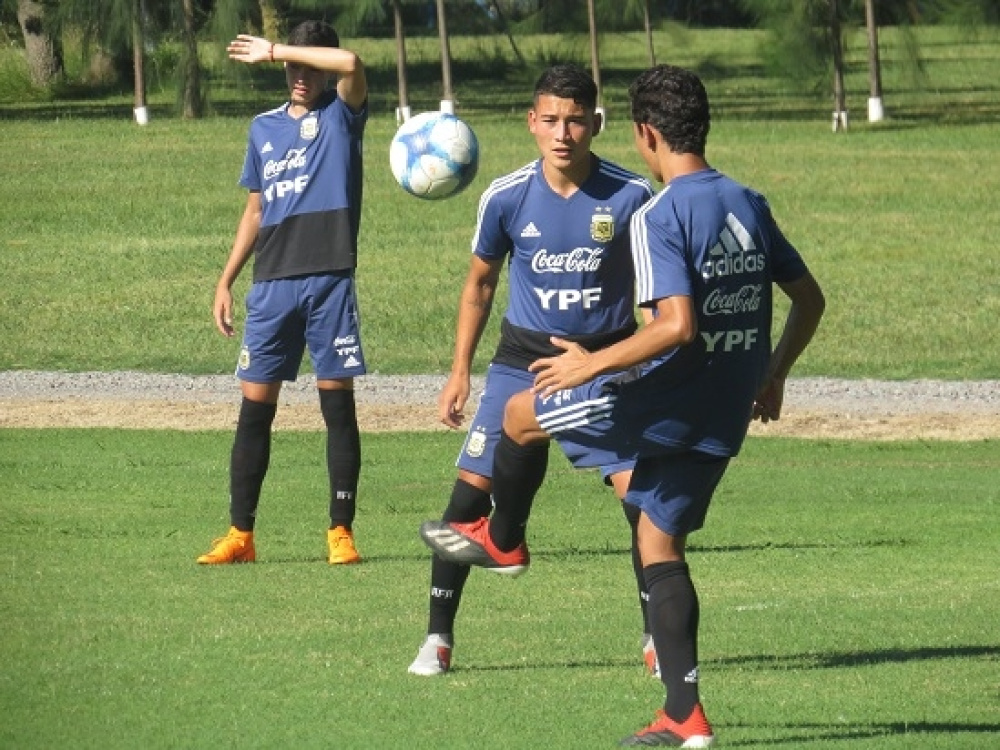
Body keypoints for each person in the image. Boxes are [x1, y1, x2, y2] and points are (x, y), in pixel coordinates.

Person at [421, 64, 826, 747]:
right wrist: (774, 373)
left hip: (664, 397)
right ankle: (685, 716)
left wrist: (590, 364)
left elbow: (675, 325)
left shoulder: (657, 211)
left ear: (642, 133)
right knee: (658, 543)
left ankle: (505, 541)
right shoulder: (748, 201)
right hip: (726, 408)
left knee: (520, 415)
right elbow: (809, 299)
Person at [408, 64, 657, 676]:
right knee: (467, 498)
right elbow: (479, 285)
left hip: (603, 364)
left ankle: (658, 639)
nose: (562, 133)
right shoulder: (506, 196)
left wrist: (648, 365)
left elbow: (656, 293)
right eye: (551, 120)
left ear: (595, 123)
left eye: (575, 120)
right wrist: (460, 371)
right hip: (521, 363)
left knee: (644, 504)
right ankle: (437, 639)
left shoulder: (632, 196)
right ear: (531, 122)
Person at [196, 21, 368, 566]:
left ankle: (340, 532)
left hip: (328, 277)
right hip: (271, 283)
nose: (300, 75)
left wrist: (273, 50)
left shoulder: (342, 114)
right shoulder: (263, 128)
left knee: (336, 406)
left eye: (310, 65)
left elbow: (352, 63)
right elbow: (256, 209)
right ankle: (240, 536)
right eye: (293, 66)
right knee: (254, 409)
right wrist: (226, 279)